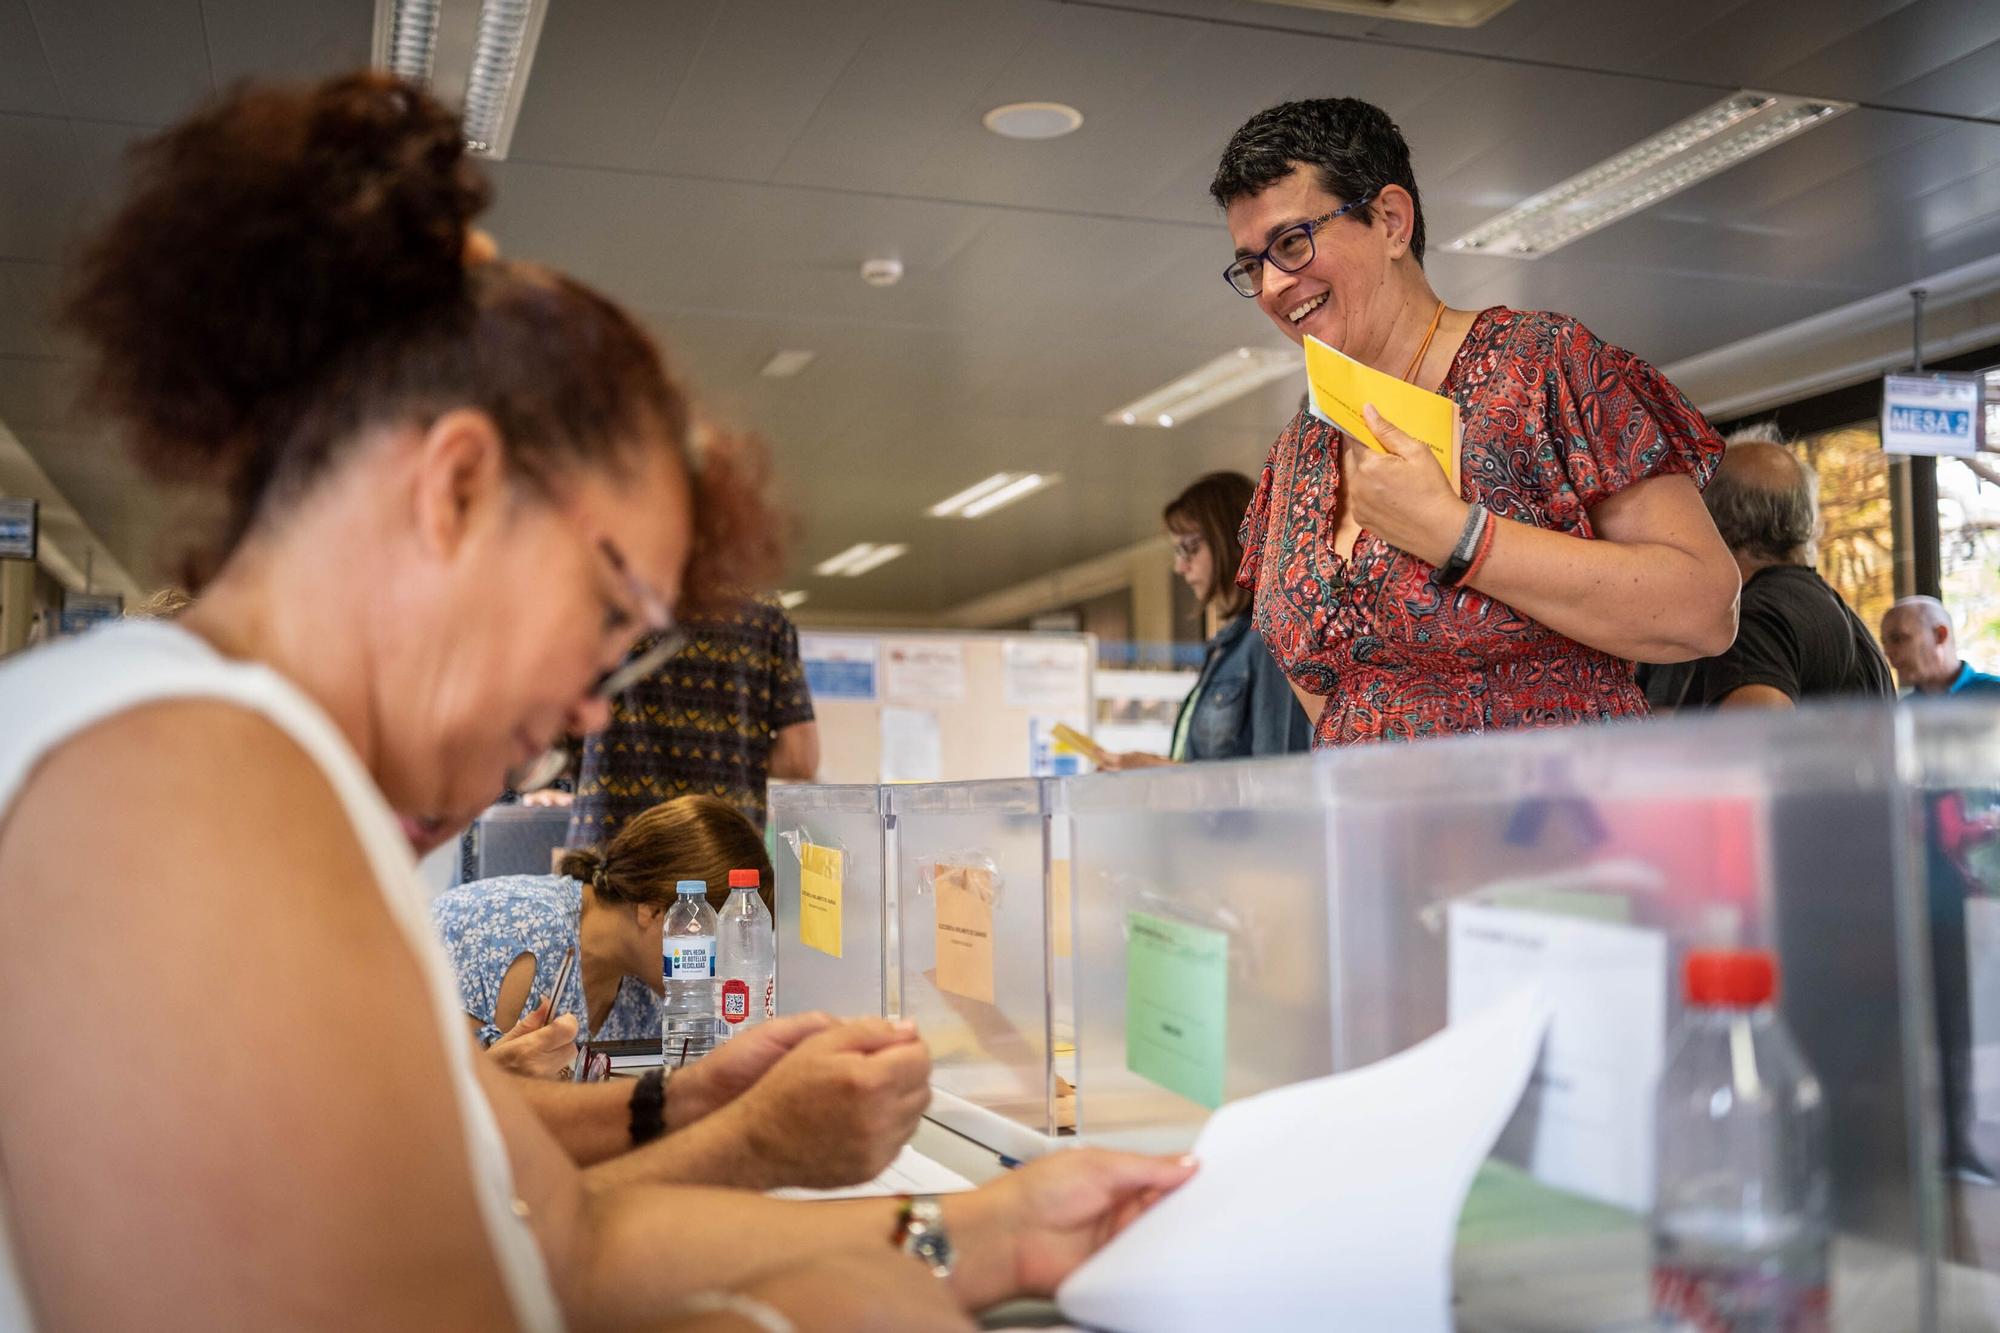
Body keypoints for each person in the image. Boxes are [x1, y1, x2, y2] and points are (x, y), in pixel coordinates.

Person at [0, 72, 1194, 1331]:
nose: (587, 705)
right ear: (457, 488)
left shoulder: (264, 779)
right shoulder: (181, 782)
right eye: (612, 620)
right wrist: (817, 1313)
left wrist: (975, 1232)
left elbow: (559, 1238)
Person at [1211, 99, 1739, 746]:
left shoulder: (1542, 368)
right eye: (1250, 263)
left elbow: (1705, 608)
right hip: (1381, 838)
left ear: (1391, 221)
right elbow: (1334, 702)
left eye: (1291, 243)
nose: (1269, 286)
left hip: (1562, 827)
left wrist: (1461, 538)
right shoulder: (1294, 458)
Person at [433, 794, 772, 1077]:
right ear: (653, 910)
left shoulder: (644, 993)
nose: (717, 974)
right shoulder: (524, 931)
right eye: (715, 947)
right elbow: (443, 1099)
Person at [1638, 428, 1891, 711]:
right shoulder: (1839, 617)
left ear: (1711, 523)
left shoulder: (1755, 619)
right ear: (1806, 517)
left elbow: (1751, 747)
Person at [566, 594, 818, 843]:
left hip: (613, 847)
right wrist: (734, 752)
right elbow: (799, 759)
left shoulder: (610, 592)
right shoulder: (766, 614)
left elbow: (550, 726)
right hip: (720, 850)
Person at [1104, 472, 1311, 768]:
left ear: (1230, 538)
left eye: (1190, 548)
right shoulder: (1228, 647)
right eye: (1177, 551)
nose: (1180, 566)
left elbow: (1278, 779)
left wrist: (1160, 773)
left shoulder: (1267, 638)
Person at [1880, 596, 2000, 698]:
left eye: (1897, 639)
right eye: (1884, 643)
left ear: (1939, 635)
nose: (1887, 652)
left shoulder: (1994, 695)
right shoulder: (1903, 710)